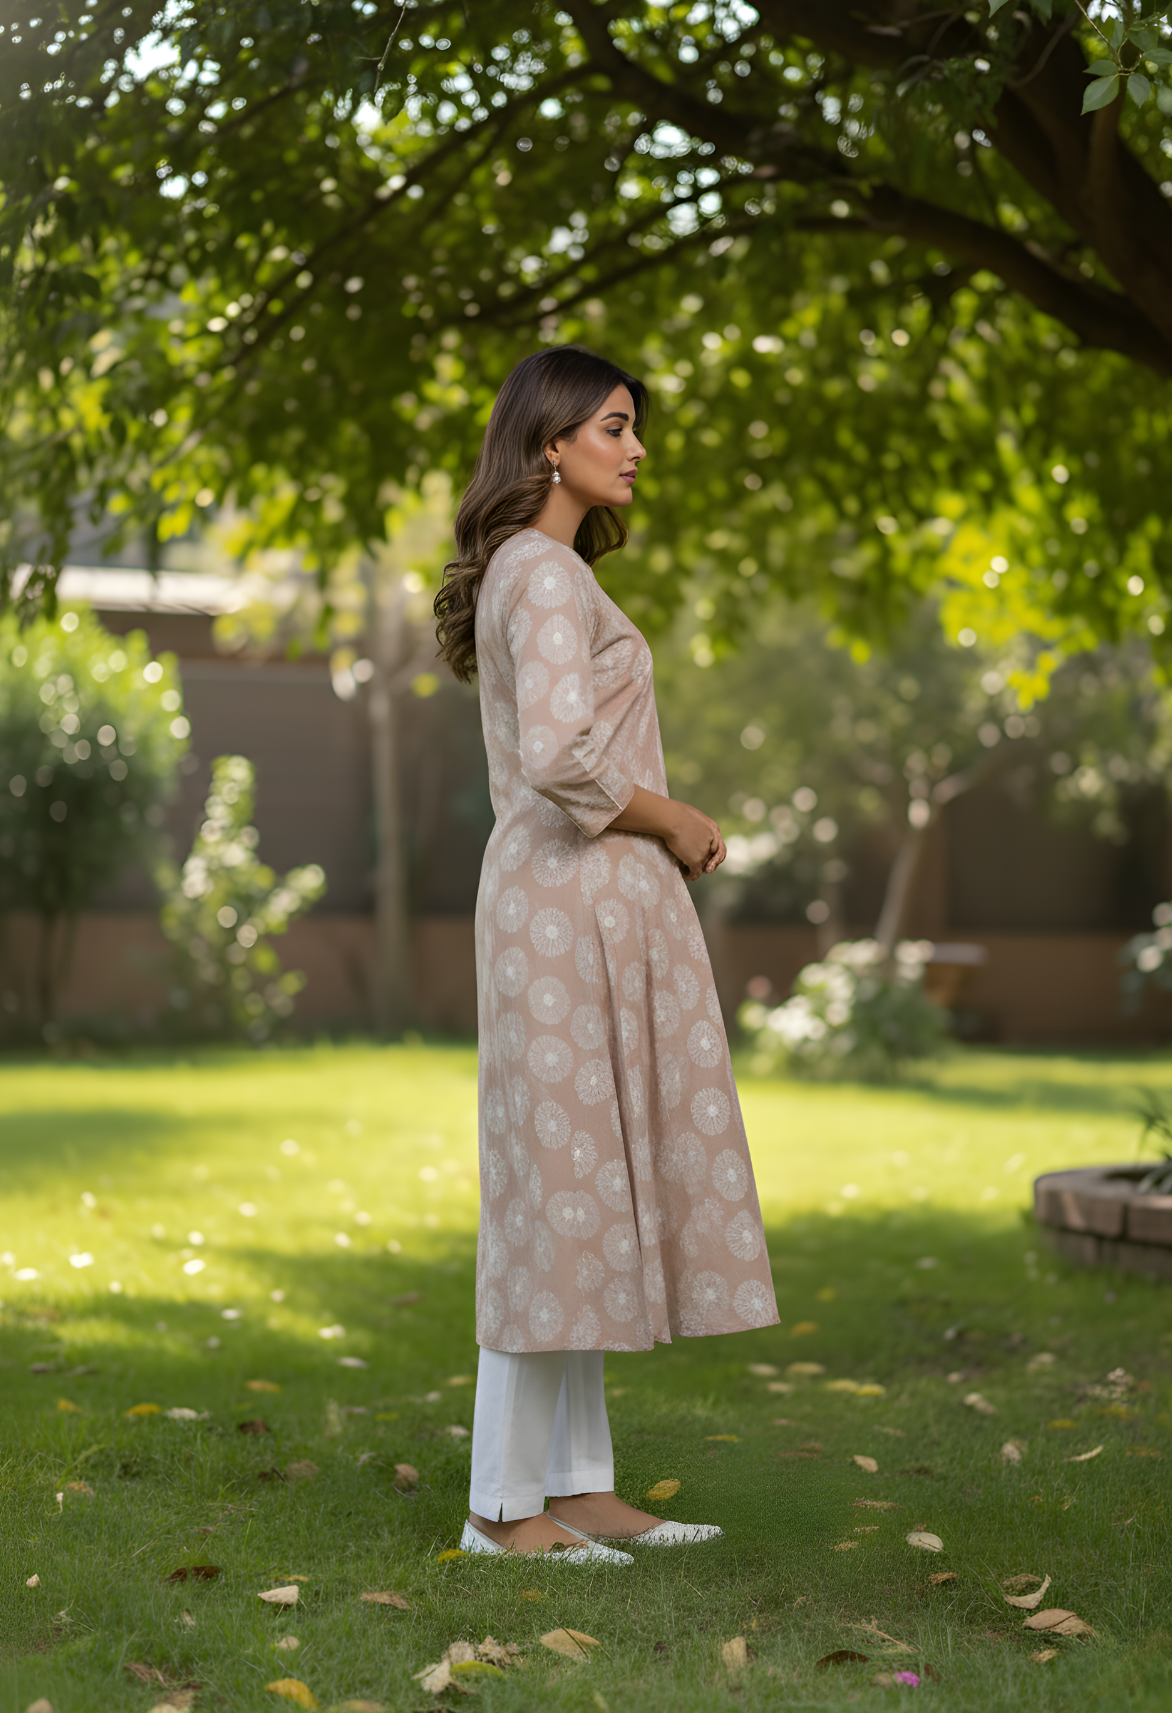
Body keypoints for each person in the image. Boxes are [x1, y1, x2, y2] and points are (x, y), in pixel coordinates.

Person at [434, 344, 778, 1564]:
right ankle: (496, 1509)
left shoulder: (548, 571)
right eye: (616, 426)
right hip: (559, 905)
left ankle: (574, 1487)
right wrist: (675, 818)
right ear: (547, 442)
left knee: (580, 1199)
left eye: (636, 428)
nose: (635, 449)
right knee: (553, 1202)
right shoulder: (536, 570)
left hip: (575, 906)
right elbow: (564, 758)